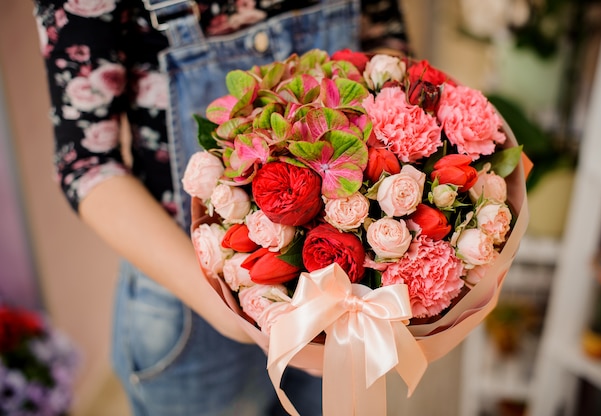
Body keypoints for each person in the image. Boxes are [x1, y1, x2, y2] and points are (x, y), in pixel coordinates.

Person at [31, 0, 408, 415]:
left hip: (350, 290)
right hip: (192, 307)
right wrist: (242, 314)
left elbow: (386, 53)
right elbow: (86, 164)